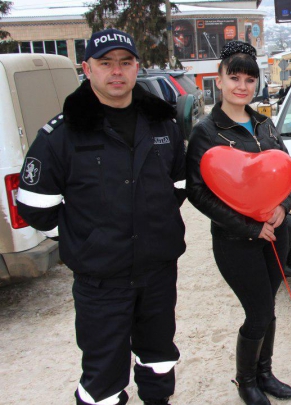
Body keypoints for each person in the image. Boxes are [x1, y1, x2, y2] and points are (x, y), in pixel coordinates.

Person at [16, 28, 186, 405]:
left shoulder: (163, 125)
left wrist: (148, 224)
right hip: (100, 280)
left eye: (125, 63)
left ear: (136, 68)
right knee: (103, 377)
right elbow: (35, 207)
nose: (116, 72)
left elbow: (178, 186)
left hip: (157, 272)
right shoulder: (61, 134)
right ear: (87, 68)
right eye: (105, 63)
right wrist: (87, 237)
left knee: (158, 358)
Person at [185, 41, 291, 405]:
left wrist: (285, 205)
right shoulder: (206, 131)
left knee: (270, 306)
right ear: (219, 80)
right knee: (258, 309)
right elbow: (198, 194)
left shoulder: (265, 123)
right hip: (237, 241)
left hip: (277, 233)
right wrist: (249, 227)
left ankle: (265, 373)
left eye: (249, 79)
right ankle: (246, 380)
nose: (242, 86)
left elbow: (288, 172)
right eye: (234, 77)